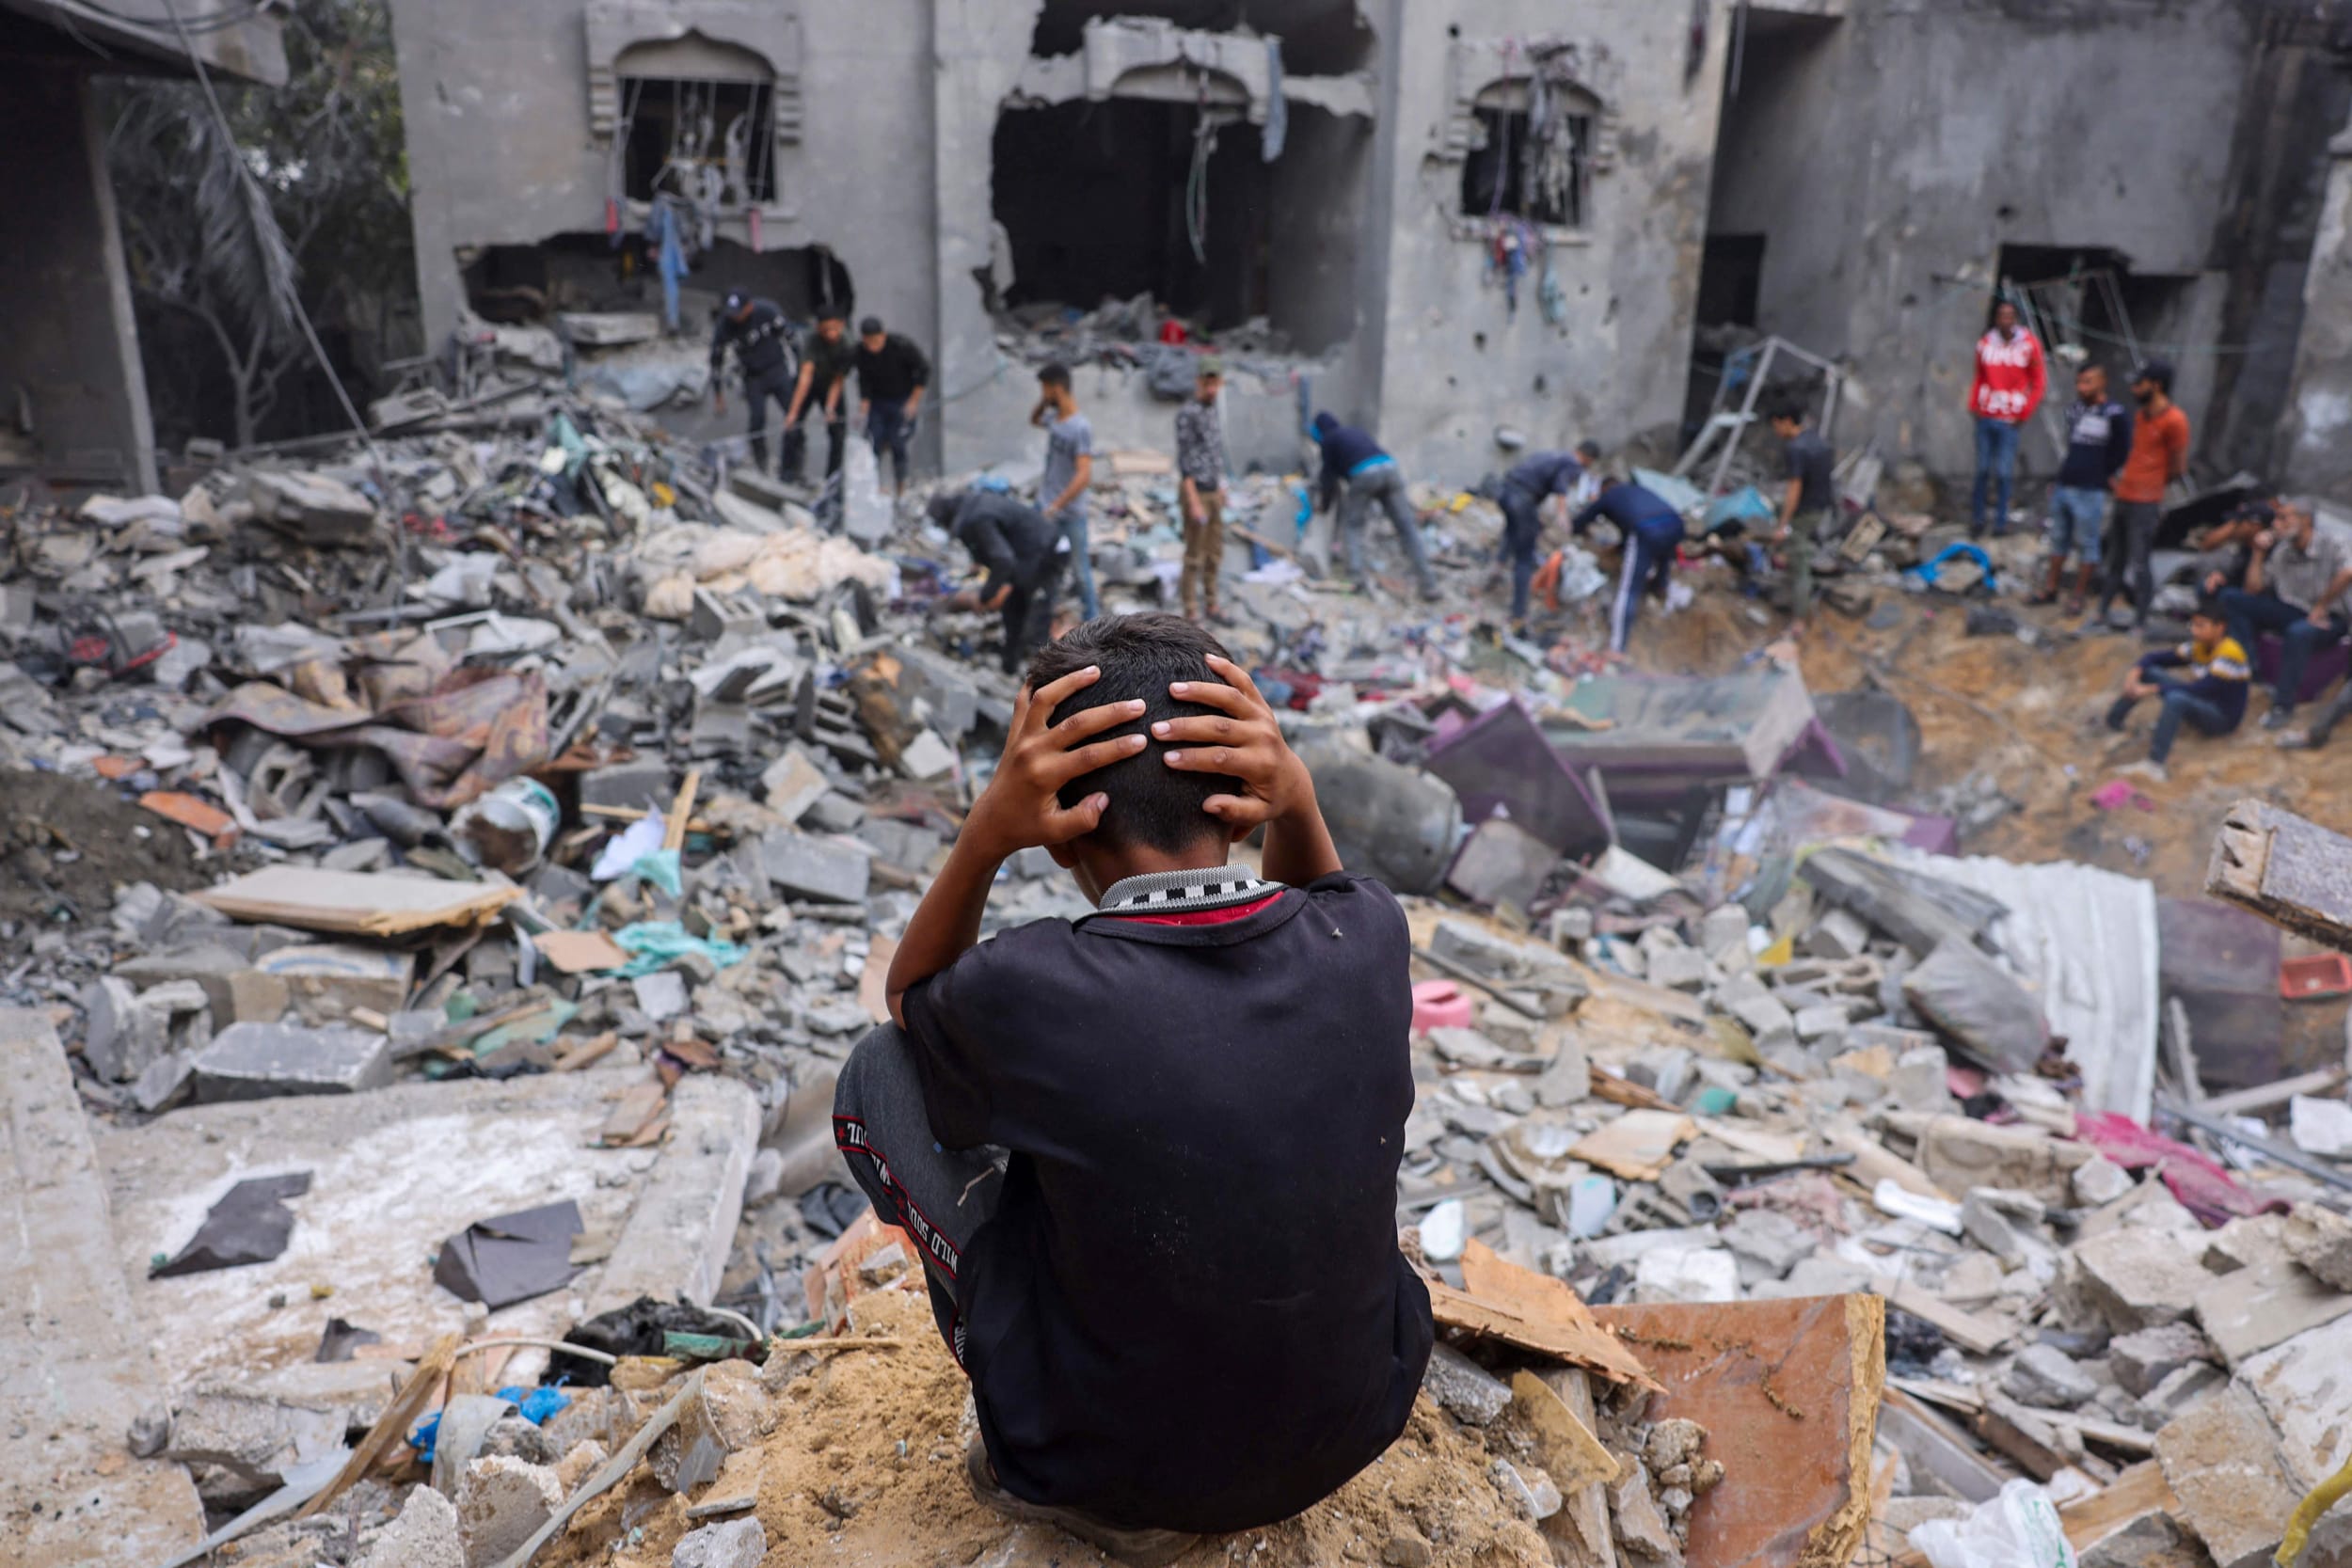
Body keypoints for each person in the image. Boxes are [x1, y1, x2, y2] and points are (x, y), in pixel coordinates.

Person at [833, 613, 1432, 1563]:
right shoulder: (1371, 936)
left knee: (881, 1070)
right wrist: (1298, 804)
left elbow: (905, 999)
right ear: (1245, 796)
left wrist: (986, 834)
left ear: (1058, 830)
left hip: (1098, 1467)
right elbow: (1323, 906)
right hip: (1348, 1426)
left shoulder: (1030, 985)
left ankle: (1020, 1378)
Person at [2217, 499, 2352, 730]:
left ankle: (2283, 705)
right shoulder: (2282, 551)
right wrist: (2258, 554)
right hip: (2296, 610)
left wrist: (2322, 604)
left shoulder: (2333, 543)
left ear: (2305, 520)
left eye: (2284, 518)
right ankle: (2250, 669)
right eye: (2277, 518)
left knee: (2298, 633)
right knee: (2232, 599)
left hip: (2331, 617)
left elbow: (2348, 571)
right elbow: (2253, 589)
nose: (2276, 524)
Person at [2103, 599, 2250, 783]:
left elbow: (2201, 689)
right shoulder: (2200, 646)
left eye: (2201, 626)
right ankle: (2113, 722)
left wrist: (2152, 689)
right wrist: (2135, 672)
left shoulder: (2229, 654)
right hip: (2203, 702)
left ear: (2219, 627)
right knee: (2150, 673)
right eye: (2194, 625)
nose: (2194, 630)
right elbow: (2157, 657)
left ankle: (2155, 764)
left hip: (2221, 717)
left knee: (2176, 698)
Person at [2093, 359, 2190, 631]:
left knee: (2140, 562)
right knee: (2116, 559)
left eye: (2140, 384)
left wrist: (2152, 485)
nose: (2134, 389)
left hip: (2146, 502)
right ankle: (2102, 612)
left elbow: (2178, 466)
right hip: (2125, 496)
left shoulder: (2175, 421)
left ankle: (2140, 621)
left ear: (2156, 386)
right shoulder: (2140, 416)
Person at [930, 488, 1068, 673]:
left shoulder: (976, 518)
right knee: (1013, 611)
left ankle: (1042, 678)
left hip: (1047, 552)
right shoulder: (975, 504)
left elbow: (1003, 560)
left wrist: (985, 596)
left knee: (1037, 617)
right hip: (1030, 557)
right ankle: (1010, 670)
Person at [1310, 412, 1439, 603]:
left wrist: (1324, 505)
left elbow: (1327, 478)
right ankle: (1429, 585)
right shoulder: (1353, 432)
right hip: (1390, 468)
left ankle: (1356, 578)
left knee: (1353, 526)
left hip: (1364, 474)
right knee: (1407, 528)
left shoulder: (1329, 440)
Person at [2034, 363, 2132, 613]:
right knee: (2059, 540)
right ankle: (2051, 589)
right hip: (2066, 484)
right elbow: (2074, 446)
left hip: (2090, 490)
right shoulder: (2076, 410)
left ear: (2102, 382)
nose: (2081, 387)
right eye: (2079, 382)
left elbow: (2122, 451)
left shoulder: (2115, 414)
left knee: (2088, 543)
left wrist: (2105, 474)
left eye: (2088, 382)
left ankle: (2079, 595)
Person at [1572, 474, 1687, 655]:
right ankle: (1660, 586)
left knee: (1628, 589)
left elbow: (1582, 520)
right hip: (1675, 524)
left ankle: (1617, 647)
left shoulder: (1608, 496)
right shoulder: (1637, 490)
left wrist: (1576, 528)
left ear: (1604, 489)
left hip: (1647, 530)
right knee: (1664, 555)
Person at [1492, 442, 1600, 626]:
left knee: (1512, 531)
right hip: (1522, 498)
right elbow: (1561, 486)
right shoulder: (1572, 463)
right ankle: (1518, 613)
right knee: (1525, 556)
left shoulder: (1552, 453)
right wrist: (1562, 514)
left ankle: (1495, 569)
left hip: (1505, 491)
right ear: (1588, 458)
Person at [1967, 299, 2049, 539]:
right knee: (1982, 470)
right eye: (2001, 315)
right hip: (1986, 416)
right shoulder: (1985, 344)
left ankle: (2001, 522)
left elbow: (2038, 382)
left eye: (2010, 315)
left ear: (2016, 318)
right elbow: (1979, 377)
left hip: (2011, 419)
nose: (2006, 320)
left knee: (2003, 472)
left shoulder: (2029, 345)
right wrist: (1974, 405)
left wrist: (2023, 413)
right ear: (1995, 318)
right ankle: (1978, 519)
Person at [1033, 364, 1099, 620]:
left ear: (1057, 387)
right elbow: (1034, 419)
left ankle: (1094, 622)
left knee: (1081, 572)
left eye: (1046, 388)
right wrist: (1046, 400)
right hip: (1045, 505)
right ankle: (1043, 619)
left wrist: (1057, 505)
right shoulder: (1054, 419)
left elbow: (1084, 475)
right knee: (1044, 565)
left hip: (1070, 512)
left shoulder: (1080, 427)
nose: (1043, 393)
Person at [707, 291, 798, 475]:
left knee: (793, 418)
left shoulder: (766, 311)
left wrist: (800, 375)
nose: (736, 317)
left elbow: (792, 339)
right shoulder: (725, 325)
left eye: (739, 312)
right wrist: (718, 396)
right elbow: (716, 361)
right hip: (752, 377)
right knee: (756, 422)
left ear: (749, 306)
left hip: (776, 370)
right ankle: (761, 464)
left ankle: (791, 467)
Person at [1770, 397, 1836, 631]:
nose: (1776, 431)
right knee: (1797, 552)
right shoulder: (1818, 441)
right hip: (1821, 508)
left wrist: (1782, 525)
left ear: (1786, 422)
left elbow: (1794, 490)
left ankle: (1799, 619)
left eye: (1776, 425)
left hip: (1805, 511)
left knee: (1800, 563)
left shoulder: (1795, 449)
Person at [1173, 357, 1230, 623]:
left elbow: (1214, 452)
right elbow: (1185, 460)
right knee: (1194, 554)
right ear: (1199, 382)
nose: (1211, 389)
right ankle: (1191, 609)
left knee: (1214, 552)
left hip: (1213, 490)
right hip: (1196, 491)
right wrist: (1193, 499)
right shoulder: (1188, 413)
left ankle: (1212, 603)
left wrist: (1222, 486)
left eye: (1215, 383)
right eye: (1207, 383)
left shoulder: (1212, 410)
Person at [853, 314, 931, 496]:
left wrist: (913, 401)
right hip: (877, 403)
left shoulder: (901, 346)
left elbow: (923, 369)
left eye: (876, 341)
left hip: (902, 399)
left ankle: (901, 488)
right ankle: (873, 486)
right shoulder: (860, 353)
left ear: (883, 335)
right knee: (873, 442)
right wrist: (864, 406)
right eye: (868, 342)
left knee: (898, 443)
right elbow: (863, 379)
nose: (873, 346)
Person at [777, 309, 854, 486]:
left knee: (838, 432)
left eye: (834, 329)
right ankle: (787, 473)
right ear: (819, 328)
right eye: (826, 329)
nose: (831, 334)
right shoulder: (811, 340)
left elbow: (838, 379)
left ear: (841, 325)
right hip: (809, 383)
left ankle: (832, 481)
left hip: (831, 384)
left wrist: (829, 408)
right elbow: (805, 377)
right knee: (792, 426)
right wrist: (793, 412)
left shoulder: (848, 344)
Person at [2191, 495, 2275, 597]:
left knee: (2227, 595)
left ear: (2255, 526)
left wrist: (2258, 551)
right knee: (2205, 586)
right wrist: (2220, 578)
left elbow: (2252, 590)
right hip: (2238, 594)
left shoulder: (2270, 551)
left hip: (2261, 603)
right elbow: (2206, 545)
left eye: (2239, 523)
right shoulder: (2244, 548)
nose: (2234, 527)